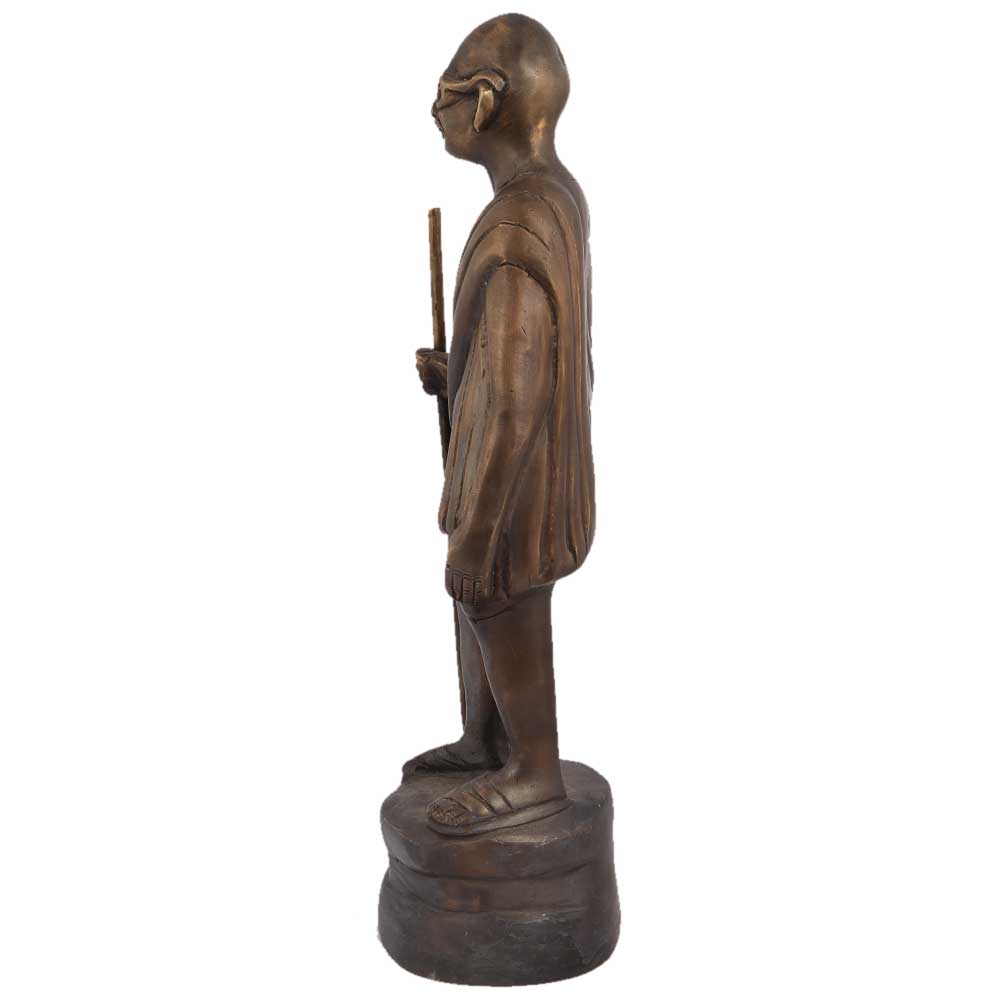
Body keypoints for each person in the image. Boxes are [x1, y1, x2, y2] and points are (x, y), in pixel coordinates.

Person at [407, 13, 596, 836]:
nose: (435, 110)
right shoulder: (556, 197)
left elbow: (518, 395)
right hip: (531, 456)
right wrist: (457, 374)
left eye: (446, 93)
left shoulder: (518, 220)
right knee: (482, 603)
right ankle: (488, 739)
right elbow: (523, 348)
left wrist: (481, 525)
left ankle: (534, 772)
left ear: (485, 100)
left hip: (515, 471)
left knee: (494, 594)